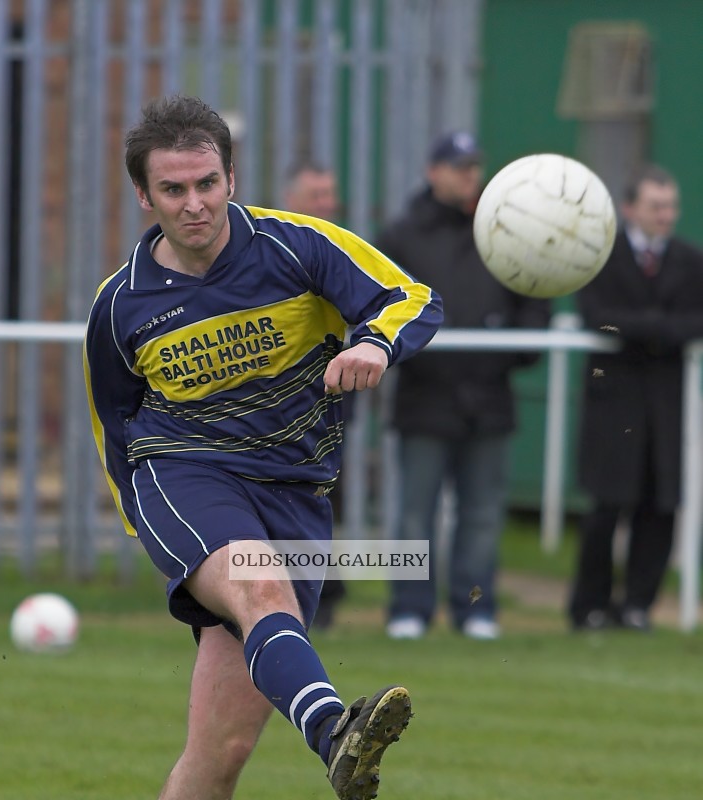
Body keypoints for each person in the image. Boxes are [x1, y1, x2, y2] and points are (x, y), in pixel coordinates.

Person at [83, 95, 442, 800]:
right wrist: (157, 532)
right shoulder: (119, 307)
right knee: (256, 584)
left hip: (292, 491)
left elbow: (413, 297)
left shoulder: (295, 247)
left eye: (208, 183)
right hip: (184, 477)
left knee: (224, 746)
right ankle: (333, 733)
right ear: (144, 197)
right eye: (174, 189)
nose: (194, 202)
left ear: (230, 179)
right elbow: (112, 425)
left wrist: (371, 341)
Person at [378, 130, 550, 641]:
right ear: (433, 172)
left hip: (490, 398)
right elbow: (382, 304)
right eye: (458, 167)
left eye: (474, 166)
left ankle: (476, 609)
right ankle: (409, 608)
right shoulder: (401, 235)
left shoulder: (507, 231)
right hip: (425, 399)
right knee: (415, 513)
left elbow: (533, 295)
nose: (469, 176)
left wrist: (523, 344)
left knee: (481, 514)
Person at [568, 165, 703, 632]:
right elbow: (598, 317)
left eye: (670, 206)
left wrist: (639, 329)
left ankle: (638, 606)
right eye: (655, 206)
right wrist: (659, 330)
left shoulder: (690, 260)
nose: (665, 215)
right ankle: (589, 607)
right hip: (614, 405)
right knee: (606, 506)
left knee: (660, 506)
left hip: (667, 406)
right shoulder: (600, 258)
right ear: (630, 209)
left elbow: (693, 323)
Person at [282, 162, 347, 630]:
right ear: (291, 197)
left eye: (330, 193)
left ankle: (322, 597)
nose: (326, 202)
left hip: (328, 405)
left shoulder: (341, 248)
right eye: (315, 193)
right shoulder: (274, 250)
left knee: (323, 499)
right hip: (268, 412)